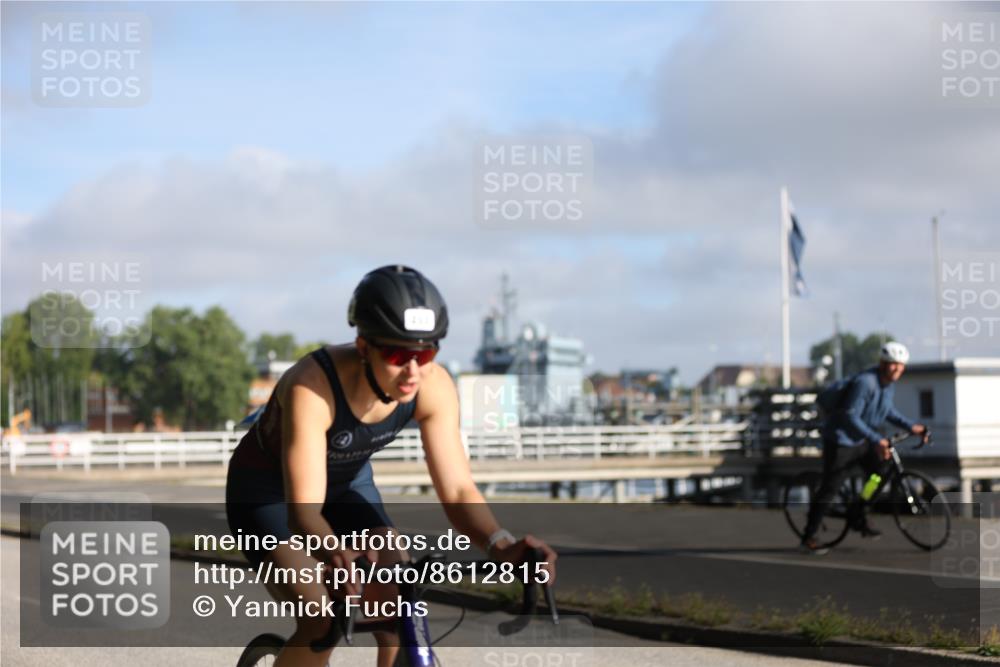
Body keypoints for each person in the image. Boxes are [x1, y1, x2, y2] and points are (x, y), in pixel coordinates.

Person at [226, 265, 557, 667]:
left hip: (346, 484)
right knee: (322, 619)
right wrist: (334, 554)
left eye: (426, 353)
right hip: (269, 494)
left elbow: (457, 491)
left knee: (400, 609)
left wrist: (501, 545)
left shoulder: (432, 386)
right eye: (399, 354)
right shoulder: (311, 387)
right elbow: (304, 514)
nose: (413, 370)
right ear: (364, 346)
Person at [800, 341, 928, 554]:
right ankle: (809, 535)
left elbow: (887, 411)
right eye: (892, 364)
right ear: (882, 363)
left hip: (862, 440)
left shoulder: (888, 384)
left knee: (880, 472)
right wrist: (877, 439)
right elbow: (850, 416)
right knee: (830, 488)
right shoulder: (865, 383)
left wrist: (911, 426)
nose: (897, 369)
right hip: (841, 441)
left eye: (900, 365)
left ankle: (859, 509)